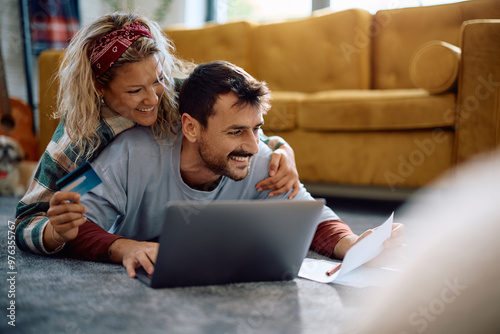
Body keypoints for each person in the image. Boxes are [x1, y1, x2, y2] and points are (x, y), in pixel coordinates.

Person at [59, 60, 405, 278]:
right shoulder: (129, 155)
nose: (254, 146)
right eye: (236, 131)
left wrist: (352, 244)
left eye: (256, 128)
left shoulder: (258, 158)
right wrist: (125, 247)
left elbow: (308, 212)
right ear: (191, 128)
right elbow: (75, 225)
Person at [14, 13, 300, 255]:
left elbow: (239, 129)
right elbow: (25, 221)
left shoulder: (178, 95)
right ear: (99, 88)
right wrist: (55, 232)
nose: (153, 99)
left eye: (158, 80)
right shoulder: (77, 137)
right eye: (135, 91)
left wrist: (282, 149)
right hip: (110, 205)